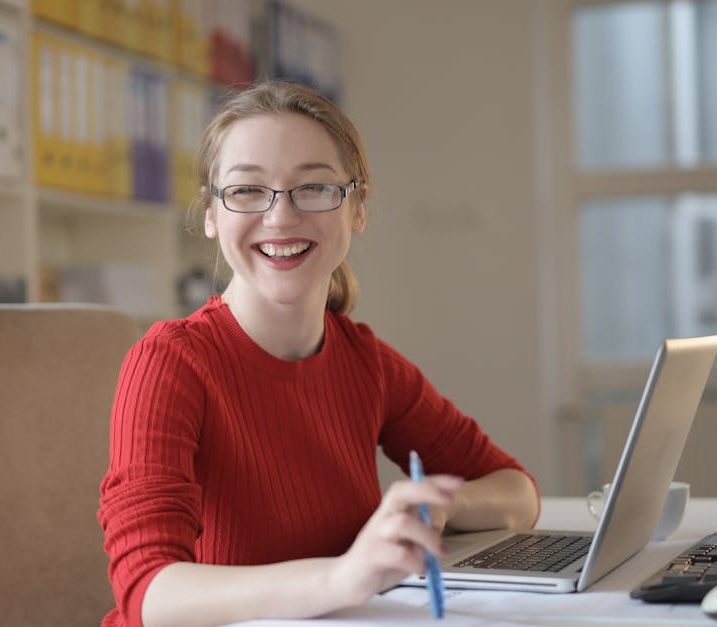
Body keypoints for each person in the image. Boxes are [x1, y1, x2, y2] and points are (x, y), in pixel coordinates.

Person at [98, 81, 540, 627]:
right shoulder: (170, 362)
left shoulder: (366, 363)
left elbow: (517, 492)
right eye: (247, 190)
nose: (281, 217)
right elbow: (148, 593)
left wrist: (443, 506)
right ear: (211, 213)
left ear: (357, 208)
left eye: (313, 187)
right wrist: (342, 577)